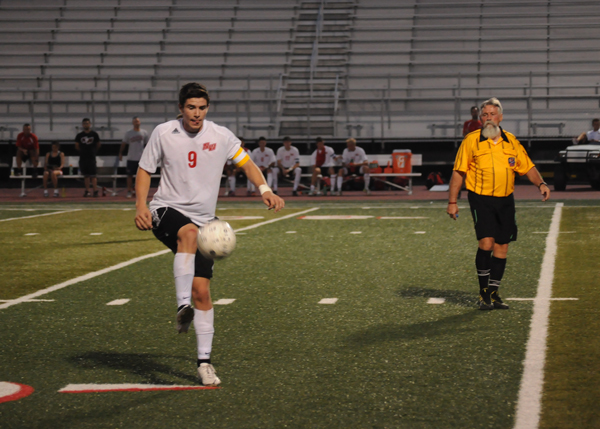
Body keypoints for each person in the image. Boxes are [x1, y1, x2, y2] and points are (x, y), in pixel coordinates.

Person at [134, 82, 284, 386]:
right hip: (166, 209)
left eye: (202, 108)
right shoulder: (163, 133)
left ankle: (204, 363)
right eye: (191, 107)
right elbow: (144, 170)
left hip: (206, 219)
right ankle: (181, 307)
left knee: (202, 291)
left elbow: (247, 163)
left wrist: (265, 189)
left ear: (207, 108)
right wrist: (140, 206)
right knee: (188, 233)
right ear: (181, 108)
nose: (196, 114)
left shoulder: (221, 135)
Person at [447, 97, 550, 310]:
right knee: (486, 243)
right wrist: (452, 201)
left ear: (500, 117)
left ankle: (494, 293)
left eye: (492, 114)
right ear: (480, 118)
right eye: (485, 115)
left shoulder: (511, 141)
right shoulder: (471, 140)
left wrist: (541, 183)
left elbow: (527, 167)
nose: (488, 118)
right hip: (480, 198)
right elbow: (458, 172)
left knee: (502, 246)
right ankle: (483, 293)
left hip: (505, 200)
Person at [119, 116, 150, 198]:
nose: (137, 122)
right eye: (135, 121)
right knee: (129, 175)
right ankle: (129, 191)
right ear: (133, 123)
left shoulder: (144, 133)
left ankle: (140, 191)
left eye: (138, 121)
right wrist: (120, 153)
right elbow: (123, 144)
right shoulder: (129, 133)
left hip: (141, 158)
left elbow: (148, 145)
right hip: (131, 158)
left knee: (141, 176)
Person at [75, 118, 101, 197]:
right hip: (83, 158)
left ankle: (95, 190)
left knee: (93, 175)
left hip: (91, 157)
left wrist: (93, 151)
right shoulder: (79, 135)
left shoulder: (94, 134)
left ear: (90, 124)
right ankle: (87, 191)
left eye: (87, 123)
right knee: (86, 175)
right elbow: (77, 146)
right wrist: (83, 151)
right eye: (84, 123)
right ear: (82, 125)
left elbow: (98, 144)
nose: (86, 125)